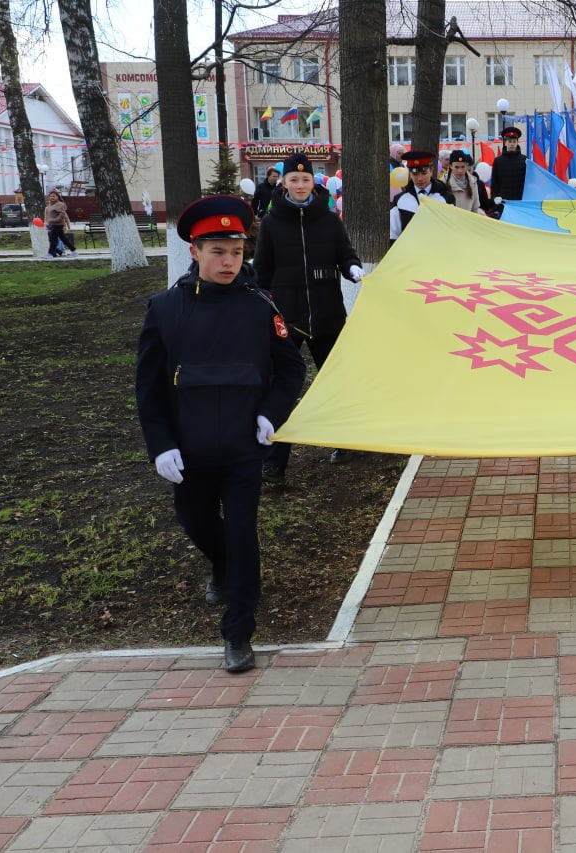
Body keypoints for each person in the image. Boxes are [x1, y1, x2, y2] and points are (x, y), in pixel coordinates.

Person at [135, 195, 306, 672]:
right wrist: (160, 444)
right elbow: (147, 389)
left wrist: (272, 414)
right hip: (188, 449)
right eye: (218, 252)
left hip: (242, 448)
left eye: (237, 251)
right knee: (197, 524)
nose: (230, 261)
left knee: (242, 534)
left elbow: (291, 370)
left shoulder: (260, 305)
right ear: (195, 251)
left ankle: (238, 632)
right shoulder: (166, 309)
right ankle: (224, 566)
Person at [253, 152, 363, 478]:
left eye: (305, 179)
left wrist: (352, 267)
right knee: (283, 386)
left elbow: (344, 252)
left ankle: (342, 441)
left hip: (328, 314)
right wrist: (260, 307)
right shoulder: (272, 222)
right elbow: (262, 271)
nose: (300, 185)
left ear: (313, 181)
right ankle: (274, 459)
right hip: (288, 319)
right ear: (283, 182)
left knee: (336, 380)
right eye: (293, 179)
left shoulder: (328, 219)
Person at [390, 149, 457, 243]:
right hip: (410, 252)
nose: (420, 178)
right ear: (410, 173)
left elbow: (452, 228)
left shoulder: (446, 198)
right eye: (415, 174)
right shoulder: (400, 200)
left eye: (424, 173)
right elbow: (393, 233)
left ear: (431, 170)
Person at [489, 126, 527, 204]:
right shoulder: (498, 161)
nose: (512, 144)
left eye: (514, 141)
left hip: (520, 200)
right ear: (505, 143)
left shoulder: (525, 160)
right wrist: (494, 198)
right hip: (503, 200)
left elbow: (528, 182)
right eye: (509, 141)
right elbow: (495, 183)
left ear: (517, 143)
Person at [43, 191, 76, 258]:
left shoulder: (60, 204)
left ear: (58, 197)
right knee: (63, 239)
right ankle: (74, 251)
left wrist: (52, 221)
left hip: (58, 224)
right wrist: (47, 223)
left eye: (54, 196)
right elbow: (48, 216)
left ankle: (50, 254)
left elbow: (62, 216)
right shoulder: (50, 206)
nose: (52, 198)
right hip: (53, 225)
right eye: (51, 196)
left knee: (53, 239)